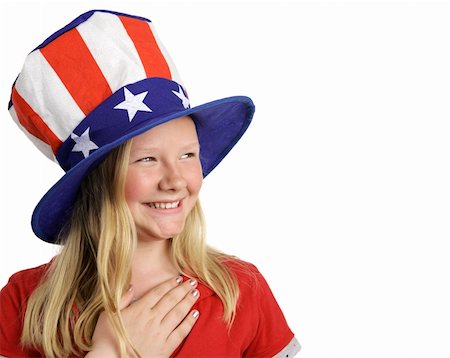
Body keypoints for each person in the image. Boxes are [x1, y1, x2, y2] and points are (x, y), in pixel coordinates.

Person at [0, 9, 301, 358]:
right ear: (97, 181)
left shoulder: (240, 290)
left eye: (188, 155)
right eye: (147, 159)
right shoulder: (27, 301)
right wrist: (109, 353)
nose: (176, 180)